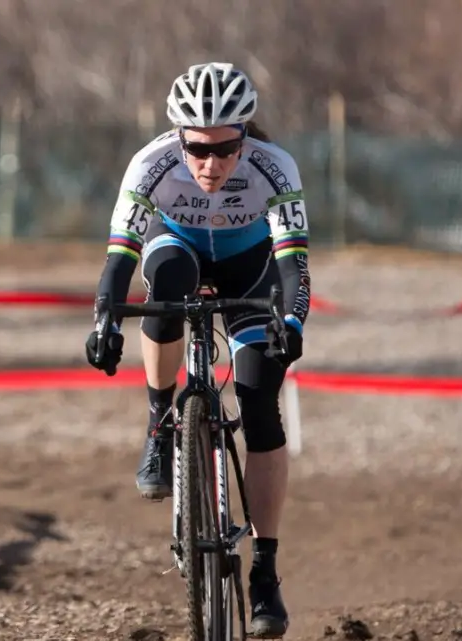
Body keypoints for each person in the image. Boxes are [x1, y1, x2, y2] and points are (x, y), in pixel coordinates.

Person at [84, 62, 310, 639]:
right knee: (166, 285)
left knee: (260, 405)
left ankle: (265, 572)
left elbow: (293, 266)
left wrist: (289, 320)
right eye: (197, 150)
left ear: (246, 135)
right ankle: (160, 424)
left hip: (250, 271)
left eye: (227, 148)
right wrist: (104, 320)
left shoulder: (274, 166)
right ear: (178, 138)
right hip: (177, 252)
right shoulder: (151, 164)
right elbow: (118, 260)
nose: (211, 165)